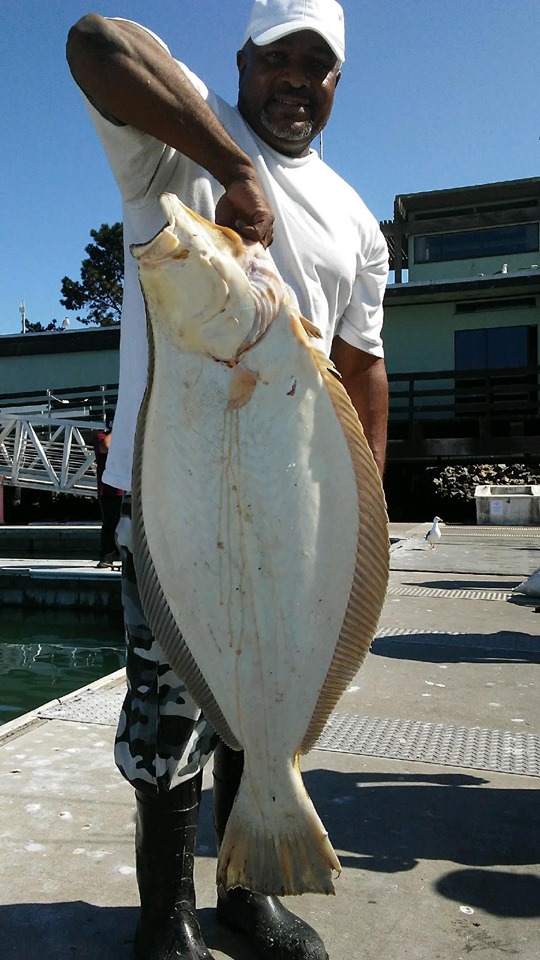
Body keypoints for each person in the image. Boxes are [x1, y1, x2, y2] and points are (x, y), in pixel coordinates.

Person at [66, 2, 389, 959]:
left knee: (271, 699)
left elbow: (360, 360)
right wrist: (234, 168)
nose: (297, 79)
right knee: (169, 715)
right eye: (277, 58)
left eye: (317, 65)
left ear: (337, 82)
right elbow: (95, 43)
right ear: (241, 61)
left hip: (300, 505)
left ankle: (252, 891)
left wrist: (366, 506)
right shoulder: (180, 140)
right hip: (174, 500)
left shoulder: (356, 216)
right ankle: (164, 919)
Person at [93, 421, 123, 567]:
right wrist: (118, 429)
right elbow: (105, 447)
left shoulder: (124, 439)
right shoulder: (101, 436)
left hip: (125, 488)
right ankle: (106, 557)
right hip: (109, 490)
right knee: (110, 524)